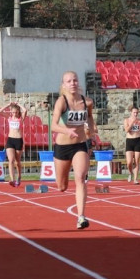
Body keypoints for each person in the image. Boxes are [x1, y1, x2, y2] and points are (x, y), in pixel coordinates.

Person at [51, 71, 96, 229]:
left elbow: (90, 117)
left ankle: (81, 217)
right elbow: (53, 125)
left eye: (75, 80)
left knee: (80, 177)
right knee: (61, 186)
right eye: (69, 81)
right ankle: (63, 183)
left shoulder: (87, 102)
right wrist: (66, 131)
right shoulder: (61, 102)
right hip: (62, 147)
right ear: (64, 84)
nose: (72, 83)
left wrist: (91, 131)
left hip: (80, 145)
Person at [0, 101, 27, 187]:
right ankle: (12, 179)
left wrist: (18, 104)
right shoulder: (9, 117)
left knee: (17, 162)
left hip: (18, 140)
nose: (14, 114)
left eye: (16, 112)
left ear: (18, 112)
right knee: (11, 160)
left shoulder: (20, 118)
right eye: (13, 112)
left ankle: (19, 176)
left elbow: (25, 110)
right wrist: (8, 105)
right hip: (10, 140)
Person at [124, 105, 140, 184]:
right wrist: (132, 122)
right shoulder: (126, 120)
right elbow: (127, 130)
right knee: (129, 162)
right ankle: (130, 172)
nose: (135, 114)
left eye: (137, 113)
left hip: (137, 140)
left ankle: (135, 179)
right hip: (129, 141)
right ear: (131, 112)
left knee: (137, 161)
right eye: (134, 112)